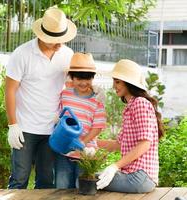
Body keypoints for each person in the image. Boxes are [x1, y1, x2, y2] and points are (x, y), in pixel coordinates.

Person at [5, 7, 77, 189]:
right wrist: (12, 125)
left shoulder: (67, 55)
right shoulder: (22, 54)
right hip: (25, 128)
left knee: (45, 181)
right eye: (55, 41)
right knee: (19, 179)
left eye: (62, 40)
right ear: (43, 36)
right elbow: (10, 91)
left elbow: (72, 87)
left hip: (52, 129)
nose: (60, 44)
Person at [96, 59, 164, 193]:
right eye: (114, 81)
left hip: (140, 176)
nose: (114, 86)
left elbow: (145, 144)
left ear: (129, 83)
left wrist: (115, 166)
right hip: (134, 175)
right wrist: (91, 142)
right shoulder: (130, 107)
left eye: (117, 82)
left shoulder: (140, 103)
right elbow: (118, 144)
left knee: (86, 181)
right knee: (88, 179)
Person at [55, 52, 106, 189]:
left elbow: (98, 127)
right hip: (64, 150)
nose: (84, 83)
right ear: (72, 77)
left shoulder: (97, 100)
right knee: (62, 186)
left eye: (88, 78)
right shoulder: (65, 95)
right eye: (79, 78)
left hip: (86, 152)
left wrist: (82, 143)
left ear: (93, 78)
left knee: (82, 187)